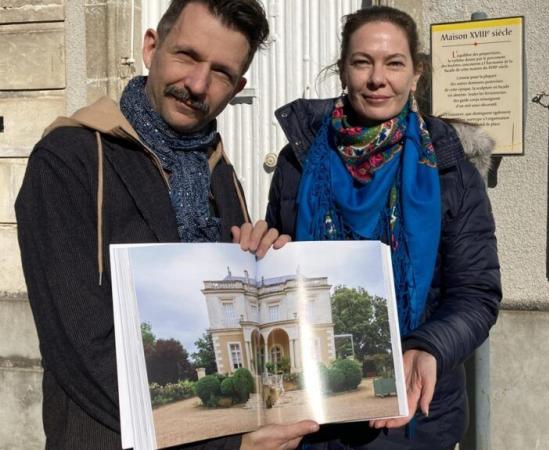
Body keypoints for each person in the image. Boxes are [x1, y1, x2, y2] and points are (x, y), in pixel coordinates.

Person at [15, 0, 317, 448]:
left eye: (220, 72)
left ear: (238, 87)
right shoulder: (69, 160)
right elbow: (82, 350)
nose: (197, 84)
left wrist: (256, 257)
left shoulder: (215, 165)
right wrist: (225, 445)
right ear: (151, 47)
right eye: (187, 56)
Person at [265, 5, 502, 449]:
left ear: (416, 74)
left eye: (394, 63)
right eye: (362, 62)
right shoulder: (298, 162)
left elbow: (476, 293)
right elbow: (284, 272)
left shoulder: (450, 170)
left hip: (414, 415)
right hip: (314, 415)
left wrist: (430, 346)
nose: (378, 79)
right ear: (343, 70)